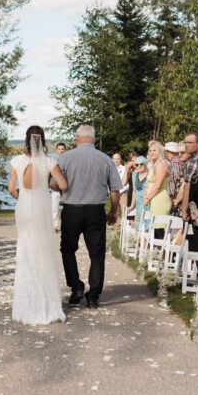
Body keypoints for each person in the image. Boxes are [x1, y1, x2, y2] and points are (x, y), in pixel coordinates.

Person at [7, 125, 69, 324]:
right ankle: (44, 299)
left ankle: (25, 303)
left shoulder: (17, 161)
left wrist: (22, 199)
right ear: (42, 140)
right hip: (41, 210)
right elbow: (64, 185)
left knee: (25, 250)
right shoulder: (49, 162)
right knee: (42, 250)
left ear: (26, 140)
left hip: (24, 209)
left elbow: (10, 189)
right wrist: (51, 185)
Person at [56, 125, 120, 309]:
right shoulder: (105, 159)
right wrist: (113, 211)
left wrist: (59, 187)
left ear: (77, 138)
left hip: (72, 210)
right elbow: (115, 190)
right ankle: (93, 296)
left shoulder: (65, 158)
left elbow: (54, 183)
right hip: (95, 210)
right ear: (94, 139)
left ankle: (76, 288)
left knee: (68, 249)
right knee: (97, 254)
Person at [143, 140, 172, 233]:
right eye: (150, 150)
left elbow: (157, 185)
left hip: (160, 199)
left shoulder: (162, 164)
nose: (152, 152)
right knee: (154, 227)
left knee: (159, 228)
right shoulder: (153, 165)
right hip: (153, 199)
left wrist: (147, 198)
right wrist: (145, 196)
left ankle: (159, 247)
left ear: (159, 152)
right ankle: (154, 247)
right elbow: (148, 184)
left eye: (154, 150)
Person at [130, 156, 149, 232]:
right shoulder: (134, 175)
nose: (139, 166)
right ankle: (139, 243)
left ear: (145, 164)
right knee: (138, 227)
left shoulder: (150, 174)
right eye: (136, 165)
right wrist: (132, 205)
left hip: (147, 203)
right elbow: (134, 191)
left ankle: (147, 243)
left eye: (141, 164)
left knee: (147, 226)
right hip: (138, 205)